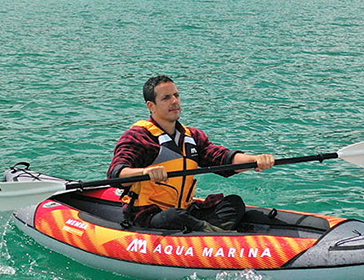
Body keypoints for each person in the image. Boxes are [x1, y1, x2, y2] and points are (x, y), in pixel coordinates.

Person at [110, 75, 274, 231]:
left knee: (234, 203)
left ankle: (204, 231)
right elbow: (116, 174)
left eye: (176, 95)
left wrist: (255, 160)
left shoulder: (192, 137)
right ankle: (214, 234)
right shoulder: (139, 137)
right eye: (166, 98)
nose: (174, 101)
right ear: (151, 106)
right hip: (149, 215)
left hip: (185, 210)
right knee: (173, 216)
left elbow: (222, 158)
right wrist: (145, 172)